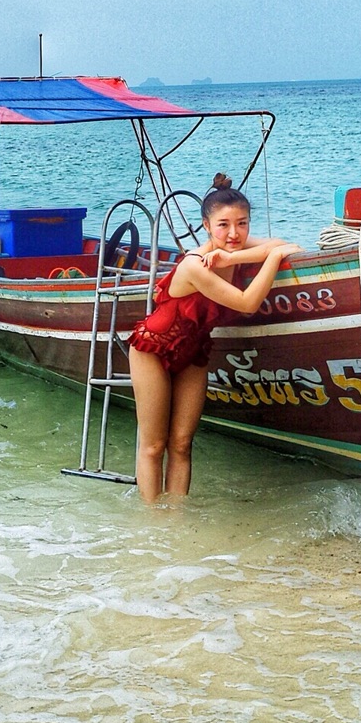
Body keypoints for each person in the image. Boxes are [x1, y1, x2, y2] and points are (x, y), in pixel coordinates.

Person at [126, 174, 297, 503]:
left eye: (242, 224)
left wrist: (234, 258)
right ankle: (151, 526)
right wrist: (271, 260)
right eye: (223, 225)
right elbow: (247, 303)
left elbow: (285, 243)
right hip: (153, 348)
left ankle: (175, 520)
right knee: (154, 445)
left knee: (181, 443)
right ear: (206, 225)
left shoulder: (230, 250)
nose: (234, 234)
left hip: (194, 352)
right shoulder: (194, 265)